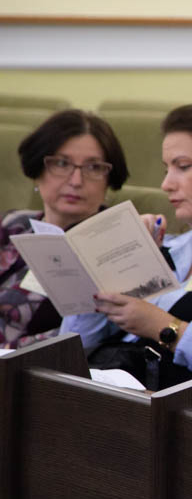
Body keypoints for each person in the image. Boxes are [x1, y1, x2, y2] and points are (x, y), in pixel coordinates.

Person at [60, 104, 192, 388]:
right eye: (166, 168)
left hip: (186, 411)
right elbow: (75, 346)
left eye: (183, 167)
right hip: (111, 386)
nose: (166, 184)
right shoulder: (170, 246)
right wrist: (103, 265)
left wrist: (165, 327)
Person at [2, 109, 128, 348]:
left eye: (93, 168)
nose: (76, 181)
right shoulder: (11, 224)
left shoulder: (115, 249)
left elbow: (77, 341)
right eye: (62, 163)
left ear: (109, 180)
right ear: (37, 169)